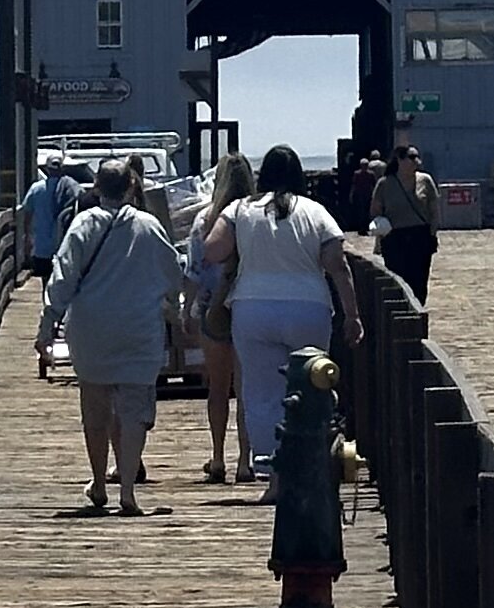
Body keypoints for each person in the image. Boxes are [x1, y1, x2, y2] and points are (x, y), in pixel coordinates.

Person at [205, 144, 366, 492]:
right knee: (311, 389)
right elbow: (338, 267)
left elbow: (212, 250)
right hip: (308, 307)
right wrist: (352, 315)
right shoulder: (316, 211)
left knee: (261, 392)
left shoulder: (241, 209)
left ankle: (275, 474)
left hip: (253, 309)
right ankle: (306, 470)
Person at [37, 157, 187, 517]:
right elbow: (174, 274)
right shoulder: (149, 226)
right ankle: (129, 491)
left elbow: (62, 278)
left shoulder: (83, 224)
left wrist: (46, 327)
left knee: (95, 407)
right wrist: (173, 310)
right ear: (134, 186)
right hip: (139, 329)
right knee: (135, 410)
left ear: (96, 189)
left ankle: (99, 483)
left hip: (92, 329)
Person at [184, 154, 252, 482]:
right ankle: (245, 460)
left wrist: (186, 309)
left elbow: (194, 270)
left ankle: (218, 457)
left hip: (213, 308)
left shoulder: (205, 220)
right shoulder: (256, 217)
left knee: (218, 388)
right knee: (245, 388)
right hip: (248, 307)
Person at [371, 137, 443, 300]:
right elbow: (375, 211)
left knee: (419, 278)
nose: (416, 161)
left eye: (417, 157)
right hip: (395, 237)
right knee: (398, 278)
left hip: (420, 236)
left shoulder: (425, 180)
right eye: (411, 157)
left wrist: (432, 233)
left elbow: (434, 210)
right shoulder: (385, 184)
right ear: (399, 160)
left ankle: (417, 310)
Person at [22, 154, 81, 278]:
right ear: (62, 168)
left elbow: (27, 213)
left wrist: (28, 237)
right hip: (64, 245)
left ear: (47, 169)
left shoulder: (36, 188)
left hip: (41, 246)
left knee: (45, 279)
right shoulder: (71, 188)